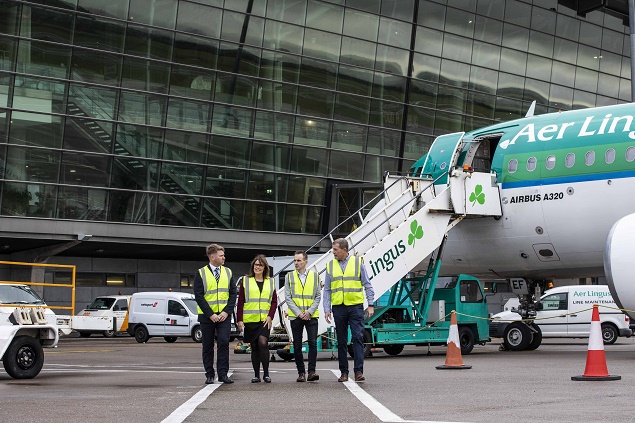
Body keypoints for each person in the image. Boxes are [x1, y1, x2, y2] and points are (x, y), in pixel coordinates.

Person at [324, 238, 374, 382]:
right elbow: (327, 290)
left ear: (344, 250)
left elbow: (367, 284)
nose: (333, 252)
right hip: (338, 307)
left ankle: (358, 371)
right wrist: (327, 309)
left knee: (358, 337)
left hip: (355, 307)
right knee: (341, 341)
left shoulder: (358, 263)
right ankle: (344, 372)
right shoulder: (330, 266)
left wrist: (370, 304)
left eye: (335, 250)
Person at [193, 243, 237, 384]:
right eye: (221, 255)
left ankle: (223, 374)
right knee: (207, 346)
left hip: (224, 316)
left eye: (223, 255)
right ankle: (209, 375)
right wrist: (210, 314)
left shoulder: (228, 272)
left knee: (224, 342)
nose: (224, 257)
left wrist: (226, 312)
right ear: (212, 257)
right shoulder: (200, 273)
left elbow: (233, 293)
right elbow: (199, 296)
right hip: (207, 317)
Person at [237, 255, 278, 383]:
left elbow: (274, 301)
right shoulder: (246, 280)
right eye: (255, 265)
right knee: (254, 346)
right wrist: (239, 320)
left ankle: (266, 373)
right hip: (250, 319)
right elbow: (241, 301)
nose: (257, 267)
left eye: (260, 265)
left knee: (263, 343)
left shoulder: (270, 282)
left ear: (264, 267)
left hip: (264, 320)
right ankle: (256, 375)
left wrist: (270, 316)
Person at [284, 251, 321, 382]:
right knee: (297, 345)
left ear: (306, 261)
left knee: (312, 343)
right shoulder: (289, 276)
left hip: (311, 316)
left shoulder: (315, 276)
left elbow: (318, 296)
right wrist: (299, 313)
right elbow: (287, 297)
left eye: (299, 260)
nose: (296, 263)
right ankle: (301, 372)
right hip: (296, 316)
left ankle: (311, 372)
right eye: (295, 260)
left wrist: (309, 312)